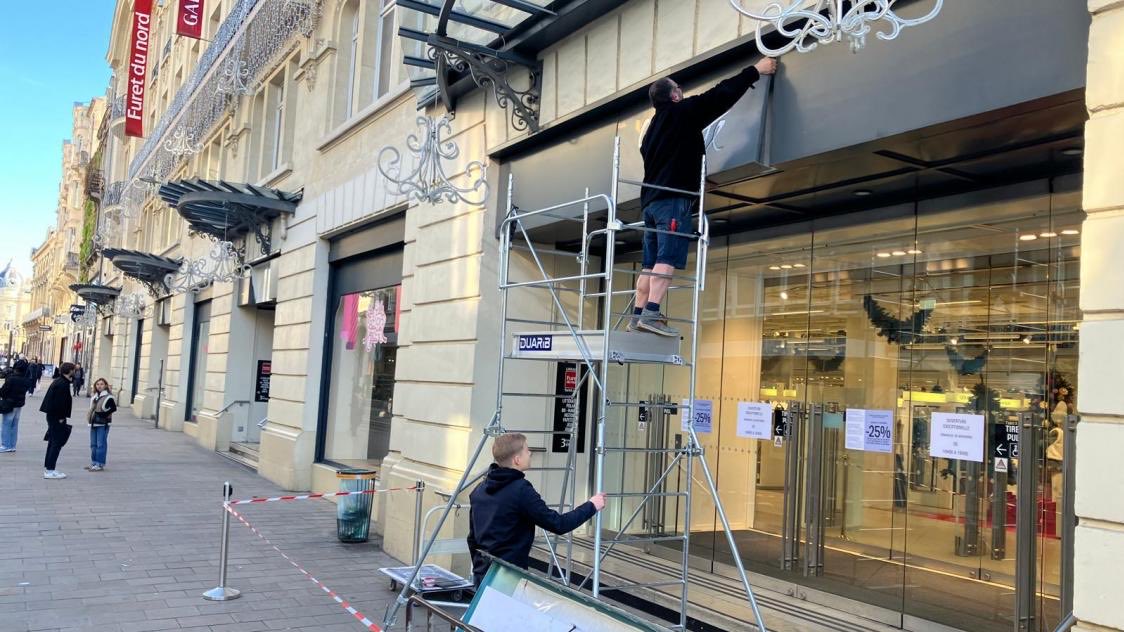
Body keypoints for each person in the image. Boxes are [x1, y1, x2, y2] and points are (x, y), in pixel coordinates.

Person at [630, 57, 778, 336]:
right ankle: (651, 314)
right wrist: (755, 71)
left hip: (650, 202)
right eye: (679, 88)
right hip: (672, 200)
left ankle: (637, 317)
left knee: (649, 262)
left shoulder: (651, 131)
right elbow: (718, 96)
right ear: (674, 95)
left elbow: (669, 162)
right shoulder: (681, 113)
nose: (682, 91)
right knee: (667, 257)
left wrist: (697, 180)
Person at [466, 433, 606, 586]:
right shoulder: (520, 490)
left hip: (483, 575)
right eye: (527, 450)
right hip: (509, 577)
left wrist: (480, 569)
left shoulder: (479, 489)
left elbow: (472, 539)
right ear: (517, 460)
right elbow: (558, 524)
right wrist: (591, 506)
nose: (530, 453)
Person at [39, 362, 75, 479]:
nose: (74, 371)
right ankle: (50, 470)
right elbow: (59, 403)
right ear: (69, 371)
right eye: (73, 369)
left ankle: (49, 468)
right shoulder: (62, 384)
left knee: (53, 442)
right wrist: (61, 417)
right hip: (56, 417)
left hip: (52, 416)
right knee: (56, 443)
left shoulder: (60, 381)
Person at [0, 359, 33, 452]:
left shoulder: (11, 379)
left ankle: (5, 445)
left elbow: (3, 392)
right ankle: (12, 445)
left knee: (6, 424)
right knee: (14, 425)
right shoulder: (26, 379)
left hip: (9, 404)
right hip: (19, 404)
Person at [85, 378, 116, 472]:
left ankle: (100, 464)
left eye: (102, 384)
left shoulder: (108, 397)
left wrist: (101, 415)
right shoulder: (94, 396)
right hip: (93, 423)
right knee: (93, 444)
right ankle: (94, 462)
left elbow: (113, 409)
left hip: (103, 424)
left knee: (100, 444)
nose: (99, 386)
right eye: (97, 384)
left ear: (105, 385)